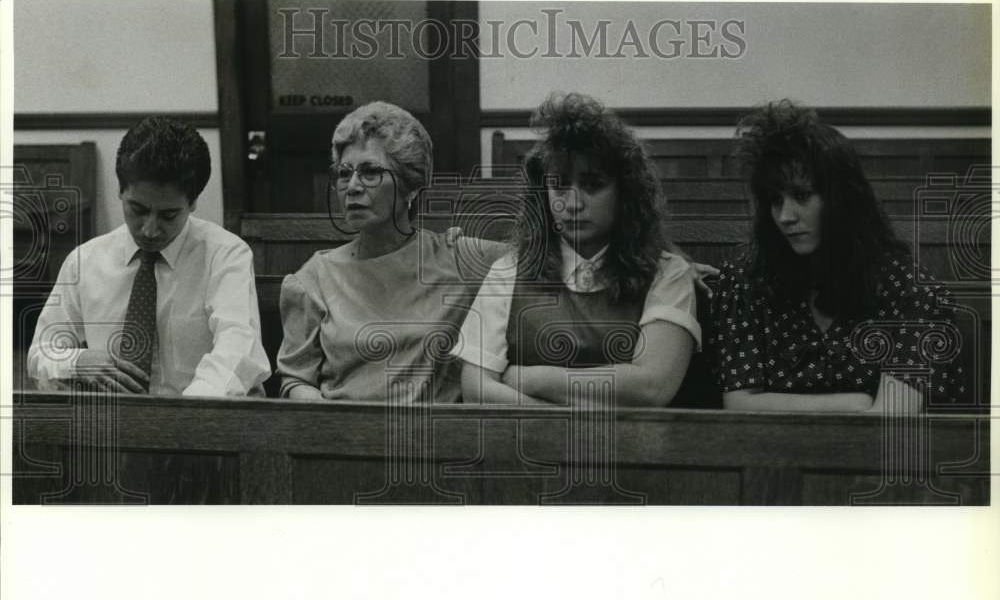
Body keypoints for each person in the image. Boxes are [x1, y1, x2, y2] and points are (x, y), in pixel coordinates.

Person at [710, 100, 966, 412]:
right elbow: (738, 405)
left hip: (877, 460)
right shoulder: (745, 282)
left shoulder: (908, 288)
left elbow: (892, 417)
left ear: (841, 199)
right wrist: (855, 404)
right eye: (774, 200)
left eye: (802, 196)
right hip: (769, 457)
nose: (785, 216)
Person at [453, 92, 701, 407]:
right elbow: (477, 390)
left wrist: (530, 379)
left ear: (625, 192)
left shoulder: (668, 274)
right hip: (526, 450)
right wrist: (563, 426)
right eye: (558, 186)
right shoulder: (509, 270)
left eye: (593, 185)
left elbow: (652, 387)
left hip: (629, 453)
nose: (572, 204)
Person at [277, 101, 504, 402]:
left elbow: (541, 258)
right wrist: (331, 424)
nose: (353, 187)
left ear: (411, 186)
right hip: (343, 438)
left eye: (370, 172)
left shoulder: (457, 259)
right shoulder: (314, 277)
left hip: (431, 441)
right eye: (345, 174)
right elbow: (294, 380)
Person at [27, 116, 270, 396]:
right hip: (114, 422)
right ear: (120, 191)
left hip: (200, 417)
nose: (150, 229)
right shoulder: (84, 261)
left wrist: (177, 419)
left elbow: (237, 350)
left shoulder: (226, 255)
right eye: (138, 209)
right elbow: (39, 354)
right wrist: (78, 362)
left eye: (168, 215)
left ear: (192, 202)